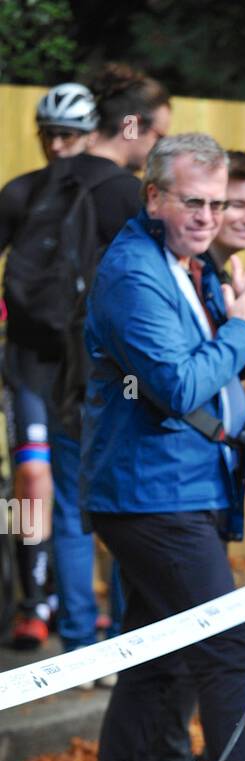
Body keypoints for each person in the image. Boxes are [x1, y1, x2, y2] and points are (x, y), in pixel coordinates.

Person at [81, 133, 245, 761]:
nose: (206, 216)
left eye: (216, 203)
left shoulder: (186, 261)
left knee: (156, 654)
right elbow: (178, 387)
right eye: (192, 202)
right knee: (228, 651)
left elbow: (234, 364)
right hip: (150, 495)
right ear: (154, 198)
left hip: (180, 488)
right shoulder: (135, 275)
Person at [43, 64, 172, 659]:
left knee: (70, 511)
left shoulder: (41, 182)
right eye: (158, 134)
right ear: (132, 126)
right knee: (125, 512)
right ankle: (128, 646)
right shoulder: (127, 194)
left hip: (46, 373)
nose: (158, 148)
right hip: (117, 379)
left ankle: (76, 646)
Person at [0, 83, 98, 649]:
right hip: (28, 363)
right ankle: (32, 602)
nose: (59, 145)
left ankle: (77, 609)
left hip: (85, 368)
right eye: (50, 135)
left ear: (89, 136)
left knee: (79, 491)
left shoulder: (105, 192)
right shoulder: (20, 193)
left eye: (71, 135)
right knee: (32, 481)